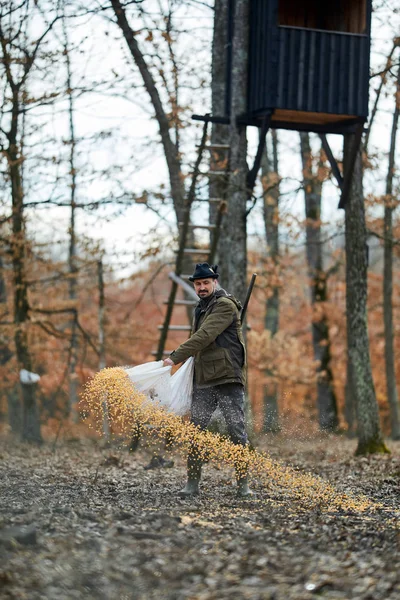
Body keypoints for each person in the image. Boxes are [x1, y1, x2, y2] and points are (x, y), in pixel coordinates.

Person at [163, 262, 254, 498]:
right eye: (198, 284)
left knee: (236, 430)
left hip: (227, 377)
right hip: (204, 379)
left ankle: (243, 485)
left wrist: (175, 358)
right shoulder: (201, 308)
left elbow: (204, 336)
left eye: (206, 283)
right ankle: (192, 484)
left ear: (215, 282)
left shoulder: (224, 306)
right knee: (196, 431)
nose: (202, 287)